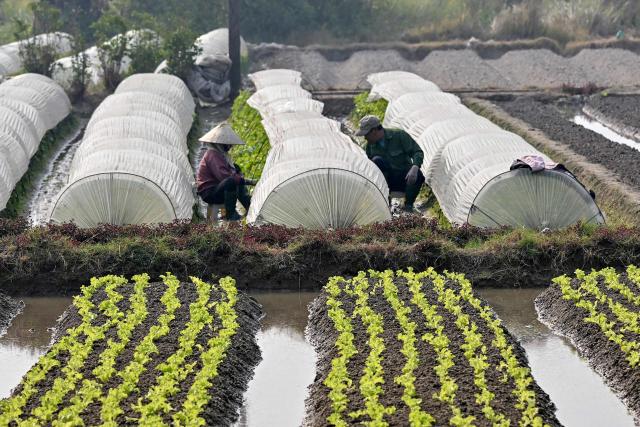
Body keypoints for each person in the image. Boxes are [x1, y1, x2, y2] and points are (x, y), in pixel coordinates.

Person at [356, 115, 425, 211]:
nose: (365, 138)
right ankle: (385, 202)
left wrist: (414, 167)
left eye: (366, 134)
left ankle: (408, 205)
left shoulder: (399, 136)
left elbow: (417, 152)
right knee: (376, 161)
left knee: (418, 174)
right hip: (386, 183)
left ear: (374, 131)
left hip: (404, 179)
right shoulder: (369, 147)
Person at [196, 123, 256, 221]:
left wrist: (240, 176)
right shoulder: (212, 154)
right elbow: (224, 176)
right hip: (209, 193)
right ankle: (230, 214)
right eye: (229, 144)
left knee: (236, 172)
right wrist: (247, 181)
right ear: (221, 144)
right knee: (232, 181)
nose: (231, 146)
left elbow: (231, 172)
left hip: (218, 189)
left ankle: (247, 205)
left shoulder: (220, 154)